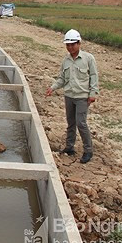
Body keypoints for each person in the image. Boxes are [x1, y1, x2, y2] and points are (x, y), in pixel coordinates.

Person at [46, 29, 99, 164]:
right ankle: (69, 147)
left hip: (82, 97)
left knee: (81, 123)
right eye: (68, 45)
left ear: (79, 43)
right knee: (71, 123)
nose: (70, 47)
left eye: (73, 44)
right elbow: (62, 79)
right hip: (69, 96)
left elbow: (94, 76)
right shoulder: (66, 60)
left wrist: (92, 93)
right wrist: (52, 88)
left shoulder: (88, 58)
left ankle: (88, 151)